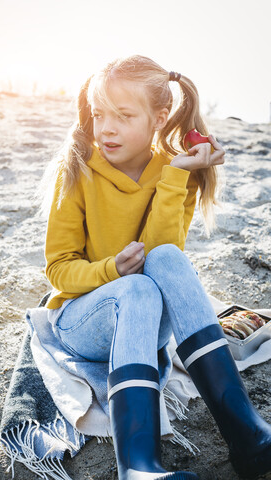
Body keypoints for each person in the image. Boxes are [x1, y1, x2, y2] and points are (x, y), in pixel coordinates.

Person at [42, 55, 271, 480]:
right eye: (98, 114)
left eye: (124, 116)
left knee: (163, 261)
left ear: (158, 118)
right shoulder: (76, 170)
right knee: (136, 288)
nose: (106, 127)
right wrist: (110, 270)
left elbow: (166, 255)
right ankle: (139, 467)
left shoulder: (173, 170)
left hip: (148, 324)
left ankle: (248, 436)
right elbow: (58, 269)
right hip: (83, 321)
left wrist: (176, 173)